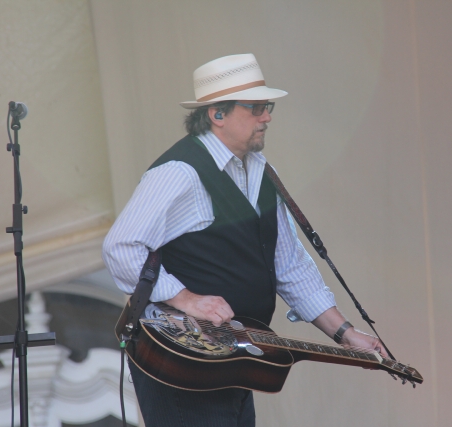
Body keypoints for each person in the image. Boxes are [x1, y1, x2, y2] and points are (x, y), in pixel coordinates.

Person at [102, 53, 386, 427]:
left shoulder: (264, 173)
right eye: (255, 108)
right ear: (217, 114)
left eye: (267, 107)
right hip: (181, 364)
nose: (266, 117)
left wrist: (344, 333)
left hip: (235, 356)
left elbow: (290, 266)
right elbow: (120, 246)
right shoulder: (180, 173)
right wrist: (186, 299)